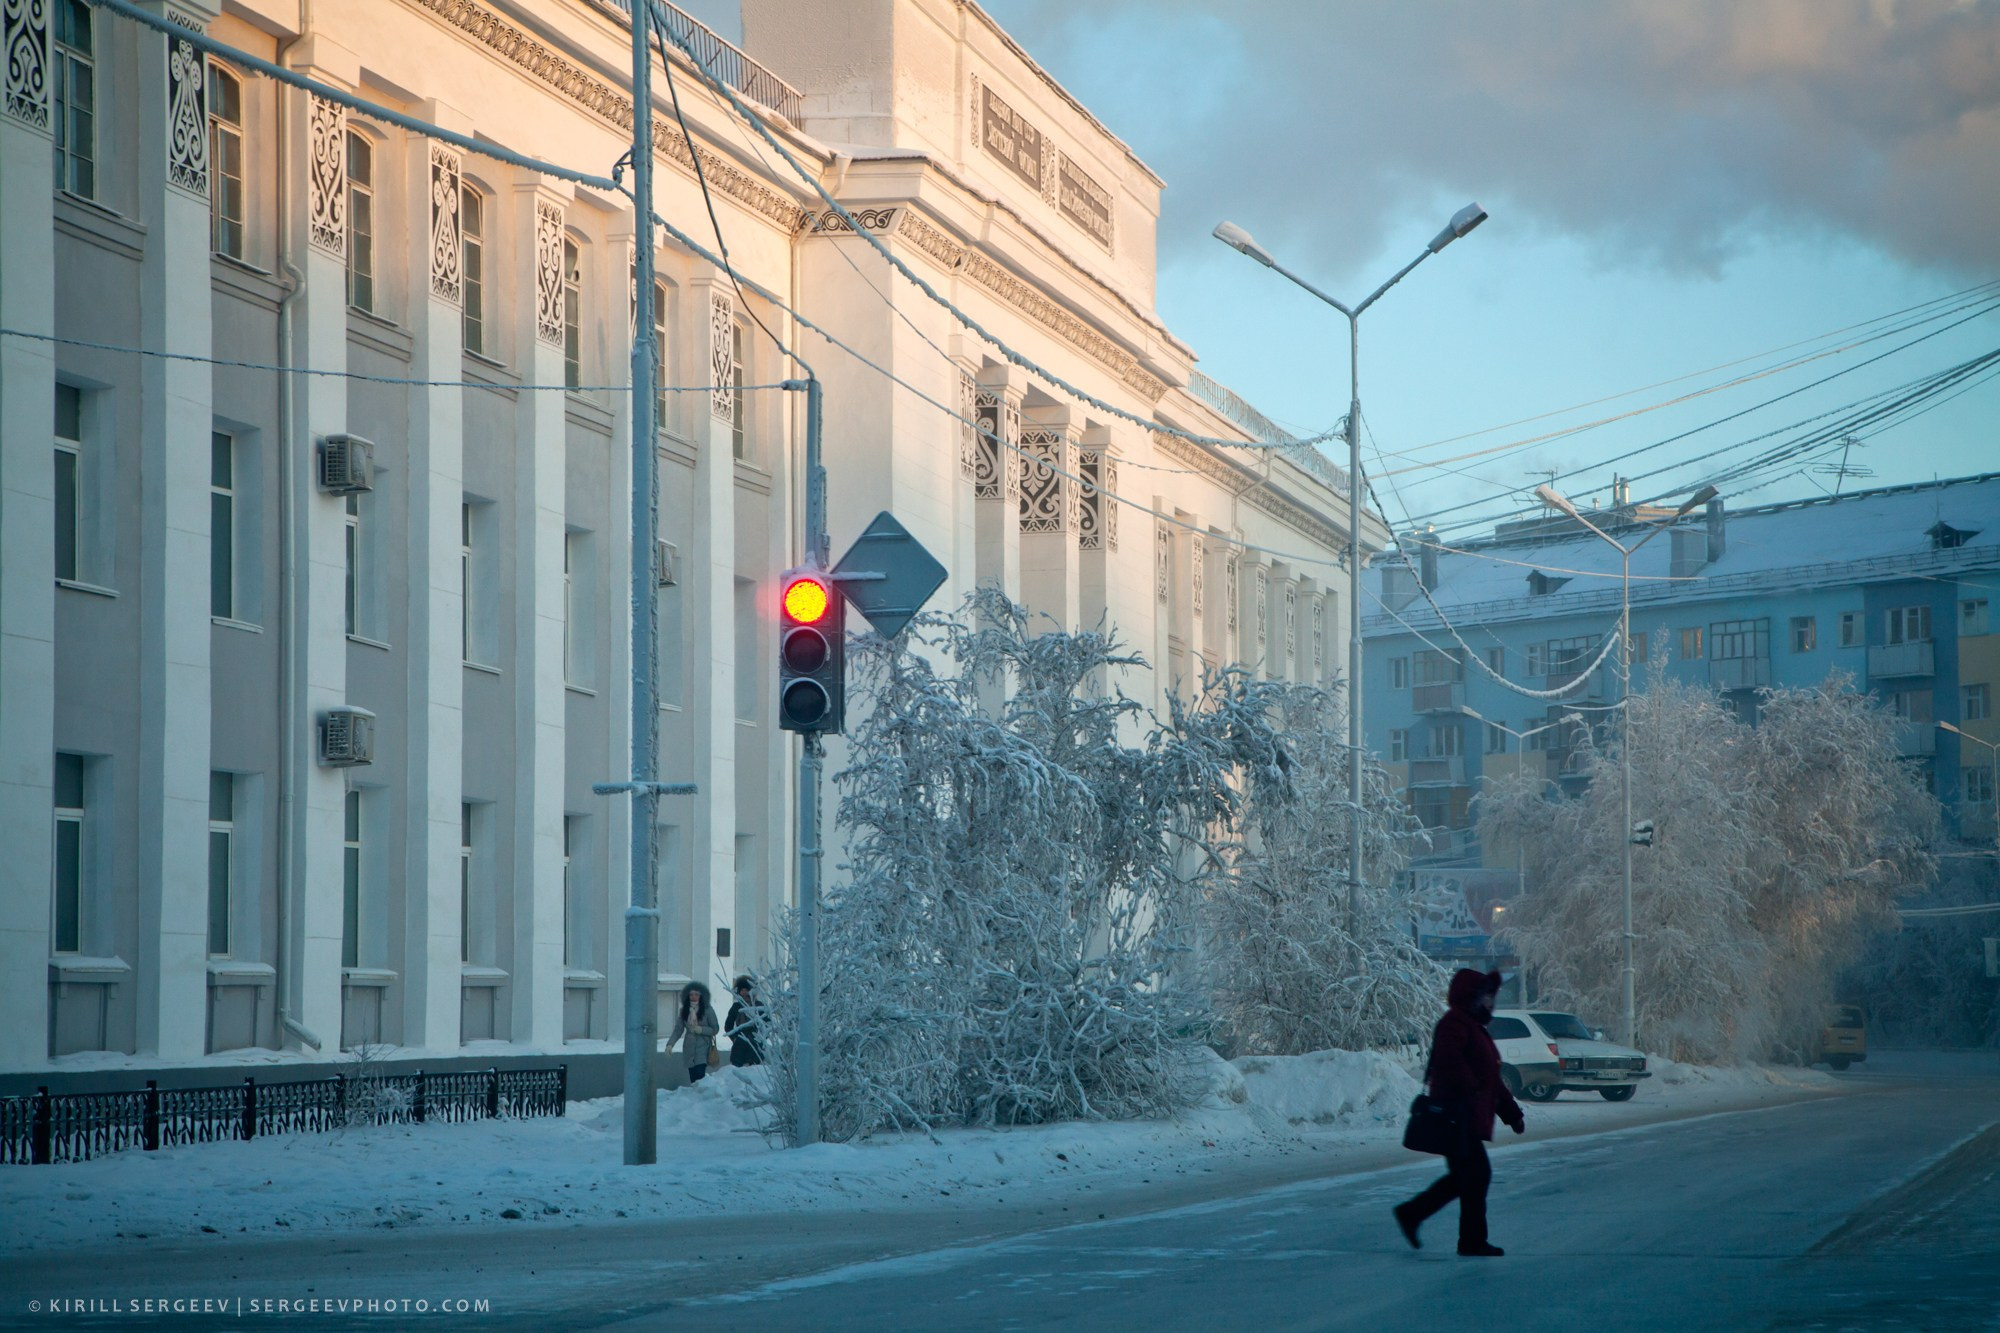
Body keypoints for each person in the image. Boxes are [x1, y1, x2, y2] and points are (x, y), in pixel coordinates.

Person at [1394, 967, 1526, 1257]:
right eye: (1487, 996)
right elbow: (1449, 1060)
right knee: (1475, 1174)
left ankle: (1416, 1215)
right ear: (1471, 997)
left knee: (1468, 1176)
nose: (1491, 1002)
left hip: (1466, 1116)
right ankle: (1466, 1238)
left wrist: (1512, 1113)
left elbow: (1491, 1078)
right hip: (1456, 1116)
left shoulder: (1474, 1027)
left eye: (1493, 996)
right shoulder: (1454, 1024)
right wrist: (1472, 1089)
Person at [667, 981, 719, 1084]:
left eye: (696, 994)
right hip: (689, 1048)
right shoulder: (684, 1010)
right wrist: (670, 1045)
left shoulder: (707, 1009)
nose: (693, 997)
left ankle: (702, 1098)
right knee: (693, 1078)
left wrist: (701, 1029)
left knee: (700, 1076)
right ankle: (695, 1099)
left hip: (703, 1047)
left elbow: (715, 1028)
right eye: (691, 994)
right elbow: (678, 1029)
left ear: (701, 995)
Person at [724, 975, 764, 1068]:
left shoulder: (759, 1006)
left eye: (746, 990)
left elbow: (767, 1024)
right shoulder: (736, 1007)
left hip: (755, 1045)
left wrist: (761, 1038)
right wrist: (735, 1038)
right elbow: (728, 1026)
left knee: (755, 1071)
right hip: (739, 1045)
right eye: (742, 990)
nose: (744, 993)